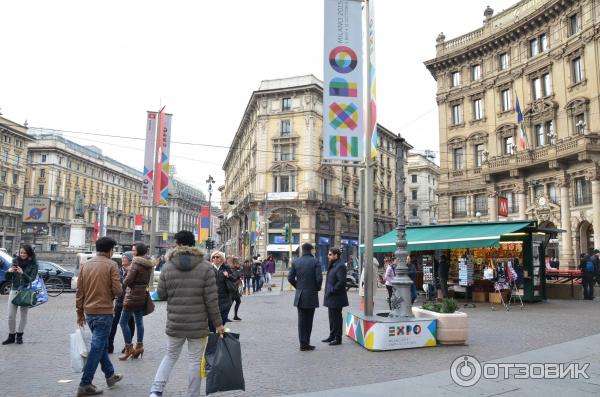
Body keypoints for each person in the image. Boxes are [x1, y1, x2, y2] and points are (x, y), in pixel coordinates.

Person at [149, 230, 224, 397]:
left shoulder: (168, 266)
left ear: (177, 244)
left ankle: (156, 390)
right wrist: (218, 323)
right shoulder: (205, 267)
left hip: (175, 322)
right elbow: (212, 300)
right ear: (193, 244)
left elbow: (161, 294)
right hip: (198, 324)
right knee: (195, 361)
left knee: (170, 356)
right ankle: (193, 394)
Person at [75, 237, 123, 396]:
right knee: (97, 347)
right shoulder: (112, 265)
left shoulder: (85, 265)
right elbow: (118, 290)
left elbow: (79, 291)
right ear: (110, 250)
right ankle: (85, 383)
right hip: (104, 311)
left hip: (89, 313)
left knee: (100, 345)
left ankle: (110, 375)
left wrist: (79, 312)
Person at [119, 243, 153, 360]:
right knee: (139, 321)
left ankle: (129, 348)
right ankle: (139, 345)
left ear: (138, 251)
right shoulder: (148, 263)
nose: (132, 252)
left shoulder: (135, 263)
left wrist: (125, 277)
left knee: (123, 322)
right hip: (142, 295)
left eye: (133, 250)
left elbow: (128, 281)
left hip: (132, 295)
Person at [288, 242, 323, 351]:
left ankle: (302, 343)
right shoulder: (315, 262)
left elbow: (290, 278)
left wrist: (298, 286)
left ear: (303, 250)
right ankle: (306, 342)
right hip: (311, 294)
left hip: (300, 295)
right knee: (309, 320)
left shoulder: (296, 262)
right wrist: (316, 288)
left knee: (301, 320)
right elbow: (319, 279)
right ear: (311, 250)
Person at [2, 245, 38, 345]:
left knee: (23, 315)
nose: (22, 254)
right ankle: (11, 336)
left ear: (29, 254)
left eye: (24, 253)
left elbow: (31, 279)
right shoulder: (15, 261)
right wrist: (8, 272)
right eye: (21, 252)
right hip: (14, 290)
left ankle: (19, 335)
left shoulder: (34, 264)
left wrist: (22, 273)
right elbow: (8, 277)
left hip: (25, 292)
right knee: (10, 316)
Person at [107, 251, 135, 354]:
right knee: (113, 323)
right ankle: (110, 345)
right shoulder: (118, 271)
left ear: (130, 260)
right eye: (122, 258)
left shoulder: (133, 272)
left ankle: (128, 344)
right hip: (119, 301)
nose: (123, 260)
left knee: (130, 323)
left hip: (129, 302)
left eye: (125, 258)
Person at [322, 248, 348, 346]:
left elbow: (341, 282)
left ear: (336, 255)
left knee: (337, 318)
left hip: (336, 297)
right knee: (332, 318)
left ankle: (338, 338)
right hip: (331, 297)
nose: (328, 256)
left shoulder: (340, 266)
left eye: (330, 254)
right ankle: (332, 335)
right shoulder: (333, 264)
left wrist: (332, 290)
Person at [209, 251, 232, 331]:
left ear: (222, 259)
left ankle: (220, 337)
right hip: (212, 299)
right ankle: (212, 338)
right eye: (213, 257)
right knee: (211, 322)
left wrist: (228, 276)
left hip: (224, 299)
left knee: (222, 320)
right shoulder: (209, 268)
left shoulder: (226, 268)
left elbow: (234, 278)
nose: (215, 258)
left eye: (217, 257)